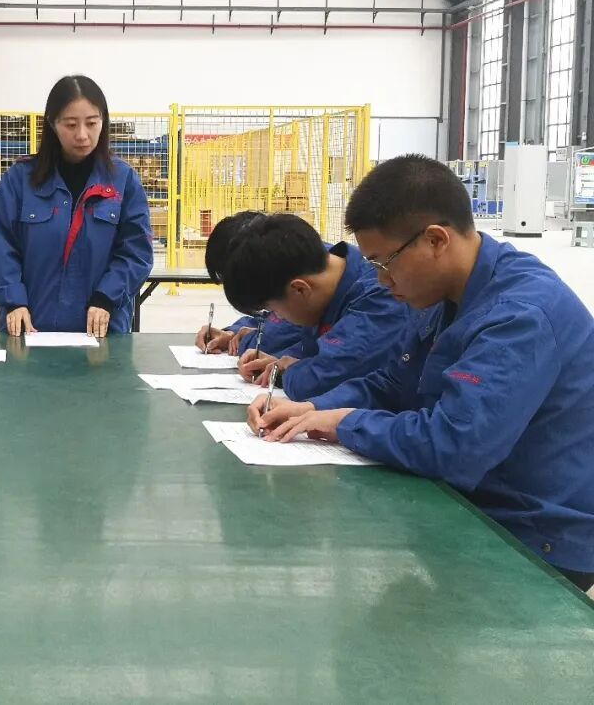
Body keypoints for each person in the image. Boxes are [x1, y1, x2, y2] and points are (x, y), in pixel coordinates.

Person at [251, 154, 594, 591]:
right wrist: (312, 408)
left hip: (532, 534)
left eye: (383, 263)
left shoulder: (519, 317)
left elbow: (455, 446)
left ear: (435, 240)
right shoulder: (443, 294)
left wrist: (346, 423)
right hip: (477, 505)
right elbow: (394, 382)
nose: (380, 281)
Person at [0, 75, 153, 336]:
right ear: (52, 124)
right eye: (71, 124)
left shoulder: (124, 182)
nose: (82, 135)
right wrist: (14, 300)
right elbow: (2, 246)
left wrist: (106, 297)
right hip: (30, 328)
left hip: (101, 331)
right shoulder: (19, 180)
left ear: (103, 122)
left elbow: (137, 252)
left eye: (92, 123)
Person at [221, 213, 410, 399]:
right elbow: (316, 354)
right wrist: (280, 362)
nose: (278, 318)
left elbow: (323, 379)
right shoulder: (323, 294)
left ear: (300, 289)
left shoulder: (379, 298)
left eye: (274, 311)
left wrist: (291, 372)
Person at [194, 212, 304, 357]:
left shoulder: (300, 283)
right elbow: (268, 319)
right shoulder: (290, 266)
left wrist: (245, 340)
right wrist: (232, 332)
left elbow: (274, 339)